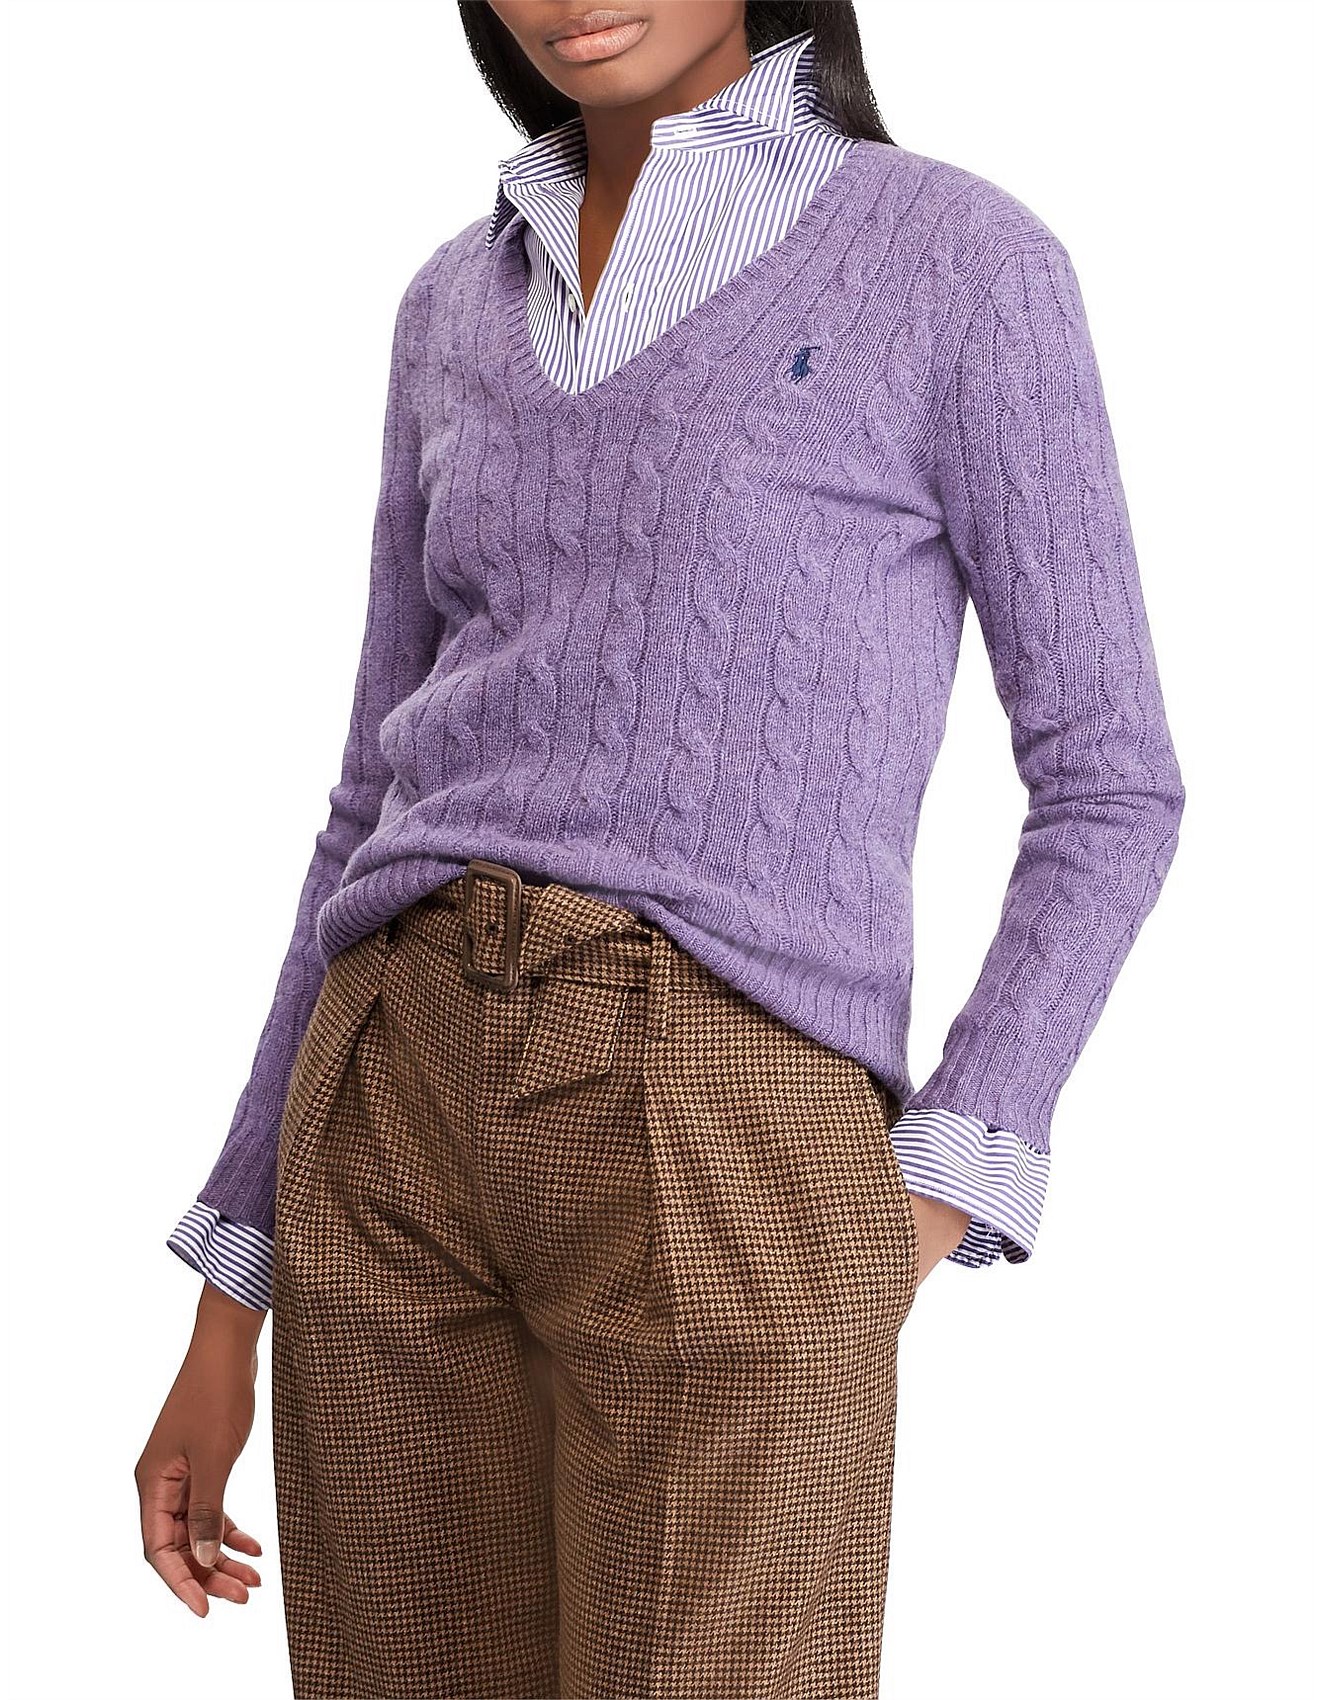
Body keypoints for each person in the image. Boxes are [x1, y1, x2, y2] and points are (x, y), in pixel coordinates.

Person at [136, 3, 1186, 1695]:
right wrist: (227, 1289)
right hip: (391, 1098)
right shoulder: (452, 302)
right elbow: (363, 805)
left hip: (728, 1105)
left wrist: (940, 1177)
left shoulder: (956, 262)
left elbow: (1112, 780)